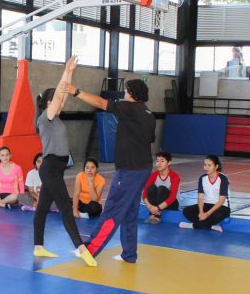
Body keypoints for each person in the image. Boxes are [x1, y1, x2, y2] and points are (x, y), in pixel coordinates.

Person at [64, 71, 155, 264]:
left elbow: (100, 103)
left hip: (130, 171)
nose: (123, 93)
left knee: (112, 211)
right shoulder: (148, 114)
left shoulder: (131, 109)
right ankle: (129, 254)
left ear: (132, 94)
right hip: (143, 168)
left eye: (126, 90)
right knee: (130, 212)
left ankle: (89, 251)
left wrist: (75, 91)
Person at [32, 56, 96, 264]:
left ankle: (38, 246)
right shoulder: (45, 119)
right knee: (66, 208)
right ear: (49, 103)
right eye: (56, 101)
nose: (61, 103)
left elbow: (63, 94)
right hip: (50, 167)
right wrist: (64, 72)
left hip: (57, 168)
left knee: (42, 208)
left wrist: (69, 72)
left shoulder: (56, 117)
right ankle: (80, 247)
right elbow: (60, 96)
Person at [180, 155, 230, 232]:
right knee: (186, 211)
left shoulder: (223, 179)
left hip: (221, 207)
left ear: (216, 166)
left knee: (219, 214)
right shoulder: (202, 178)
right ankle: (211, 225)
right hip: (206, 205)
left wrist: (207, 214)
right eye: (205, 165)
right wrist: (201, 212)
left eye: (209, 165)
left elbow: (221, 201)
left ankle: (193, 225)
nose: (206, 167)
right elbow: (200, 197)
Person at [142, 151, 181, 224]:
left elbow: (172, 197)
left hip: (172, 203)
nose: (159, 163)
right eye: (157, 161)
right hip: (156, 204)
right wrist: (150, 207)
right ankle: (152, 215)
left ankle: (157, 216)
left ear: (169, 163)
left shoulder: (174, 176)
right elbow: (144, 193)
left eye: (162, 161)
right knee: (151, 188)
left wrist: (157, 208)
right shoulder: (154, 175)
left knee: (161, 189)